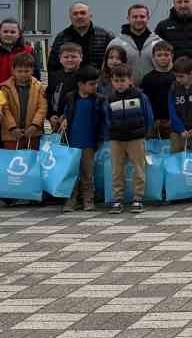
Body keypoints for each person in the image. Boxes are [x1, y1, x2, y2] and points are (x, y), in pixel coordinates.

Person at [105, 63, 156, 211]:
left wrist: (145, 133)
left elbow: (148, 116)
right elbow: (107, 118)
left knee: (139, 168)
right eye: (116, 81)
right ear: (112, 82)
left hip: (136, 138)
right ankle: (117, 199)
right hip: (116, 139)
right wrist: (110, 132)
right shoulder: (110, 98)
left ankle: (138, 198)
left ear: (130, 80)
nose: (119, 84)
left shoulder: (140, 96)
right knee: (116, 170)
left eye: (122, 81)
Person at [61, 67, 105, 212]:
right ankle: (71, 199)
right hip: (72, 143)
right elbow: (67, 113)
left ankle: (88, 199)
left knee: (87, 173)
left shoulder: (99, 100)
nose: (95, 87)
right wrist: (64, 120)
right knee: (72, 173)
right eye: (91, 84)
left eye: (96, 83)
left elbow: (103, 121)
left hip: (89, 142)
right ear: (81, 84)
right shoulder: (71, 97)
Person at [0, 52, 48, 157]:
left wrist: (34, 126)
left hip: (33, 134)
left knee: (32, 164)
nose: (23, 74)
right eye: (20, 71)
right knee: (12, 164)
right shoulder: (5, 88)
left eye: (27, 71)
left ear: (32, 70)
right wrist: (12, 128)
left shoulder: (39, 87)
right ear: (13, 70)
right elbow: (5, 109)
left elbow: (42, 108)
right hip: (11, 135)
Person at [50, 2, 114, 70]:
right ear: (70, 17)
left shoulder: (106, 36)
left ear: (90, 15)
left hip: (99, 79)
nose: (79, 16)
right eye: (75, 14)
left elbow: (115, 62)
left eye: (83, 13)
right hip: (69, 79)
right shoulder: (61, 37)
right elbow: (53, 66)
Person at [0, 18, 38, 88]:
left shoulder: (28, 51)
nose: (9, 35)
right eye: (5, 32)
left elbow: (36, 77)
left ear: (19, 35)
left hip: (21, 96)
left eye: (13, 32)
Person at [113, 4, 163, 82]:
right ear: (128, 18)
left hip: (153, 90)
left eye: (142, 16)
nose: (138, 20)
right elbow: (107, 69)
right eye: (135, 17)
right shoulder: (116, 43)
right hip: (125, 91)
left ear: (148, 18)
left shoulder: (158, 43)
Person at [46, 42, 85, 137]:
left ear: (81, 57)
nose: (70, 60)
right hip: (55, 120)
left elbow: (81, 100)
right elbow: (48, 96)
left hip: (75, 120)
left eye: (74, 57)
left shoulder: (83, 77)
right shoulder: (55, 76)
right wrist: (50, 115)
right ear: (60, 58)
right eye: (66, 57)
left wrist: (67, 116)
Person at [168, 57, 192, 155]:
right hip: (177, 133)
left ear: (191, 74)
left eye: (181, 76)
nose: (178, 79)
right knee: (175, 162)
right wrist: (181, 129)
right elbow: (172, 112)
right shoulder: (173, 89)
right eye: (176, 76)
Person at [140, 42, 177, 140]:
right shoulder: (147, 78)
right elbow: (145, 102)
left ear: (172, 56)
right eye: (159, 55)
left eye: (166, 55)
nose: (163, 58)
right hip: (153, 122)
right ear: (153, 57)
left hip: (173, 122)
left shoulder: (176, 77)